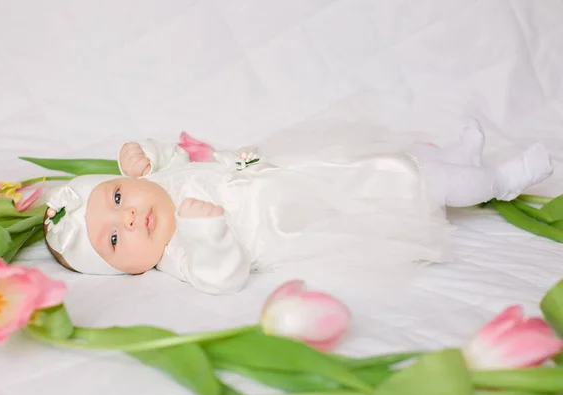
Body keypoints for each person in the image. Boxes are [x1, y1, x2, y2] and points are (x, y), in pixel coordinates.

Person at [43, 118, 554, 295]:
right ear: (131, 271)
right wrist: (209, 234)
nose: (128, 216)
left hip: (308, 168)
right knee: (410, 186)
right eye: (114, 238)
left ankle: (465, 161)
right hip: (323, 212)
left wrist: (145, 153)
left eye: (115, 197)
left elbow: (172, 159)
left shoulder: (160, 182)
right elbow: (225, 278)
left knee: (390, 158)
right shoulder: (178, 252)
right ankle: (498, 181)